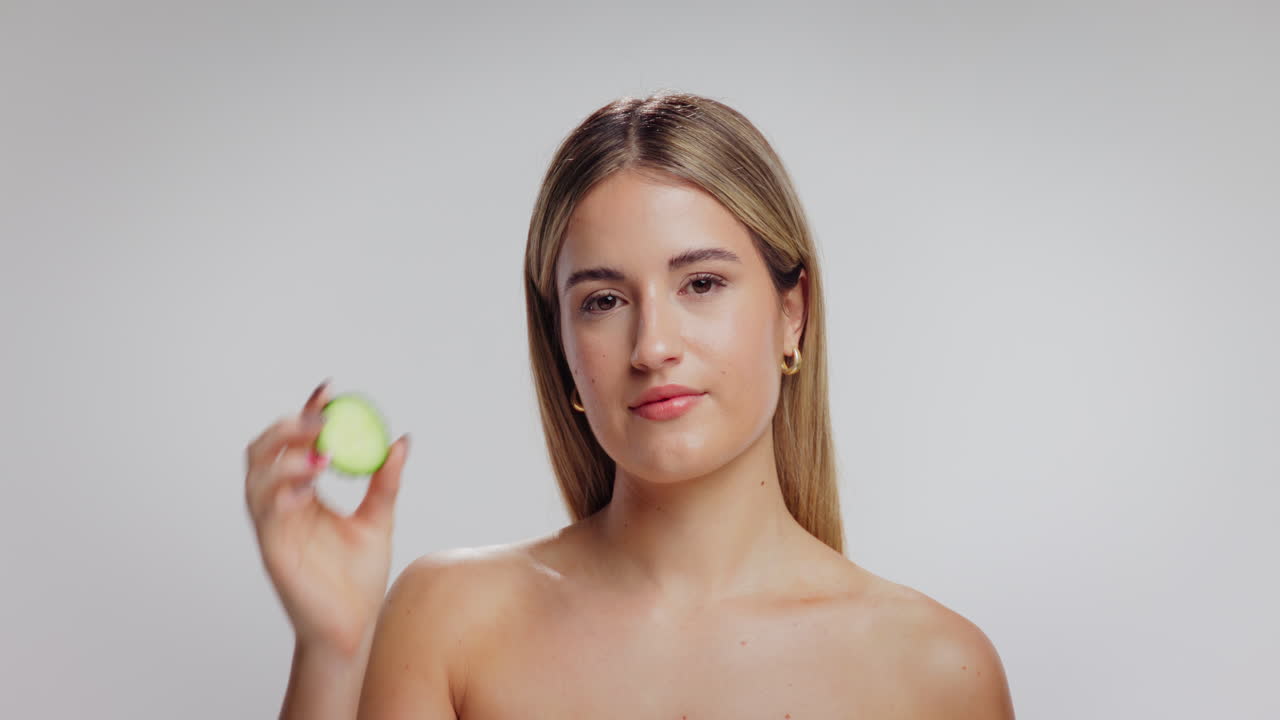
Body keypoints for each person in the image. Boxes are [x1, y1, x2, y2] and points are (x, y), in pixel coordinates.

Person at [244, 90, 1016, 719]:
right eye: (605, 300)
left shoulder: (938, 673)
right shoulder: (451, 619)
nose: (652, 346)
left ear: (793, 313)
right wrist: (334, 652)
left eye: (702, 284)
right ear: (563, 350)